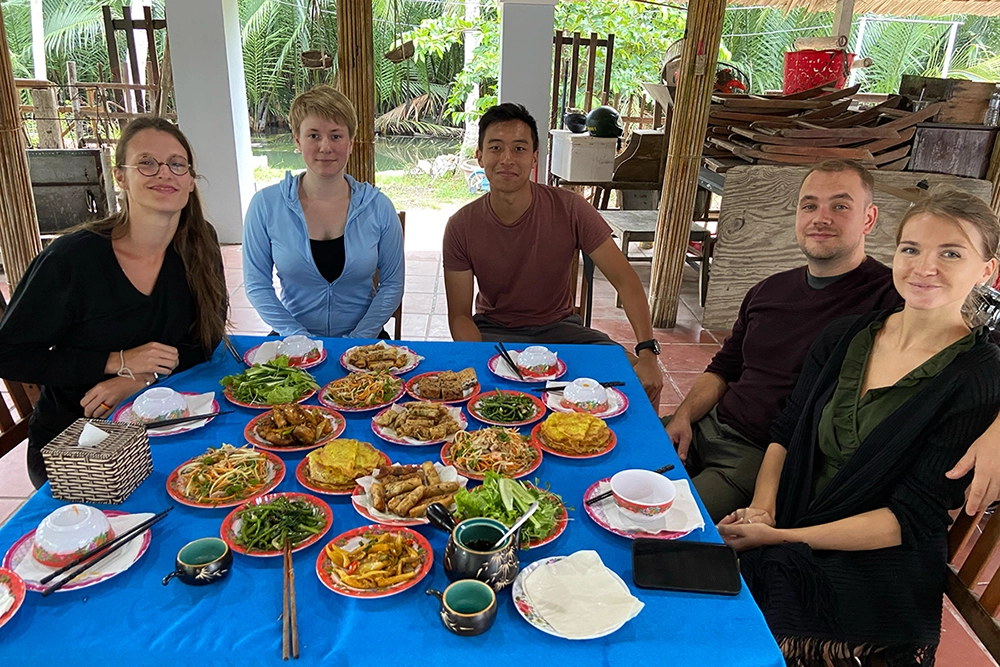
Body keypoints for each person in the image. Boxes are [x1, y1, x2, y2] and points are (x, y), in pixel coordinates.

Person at [718, 190, 1000, 666]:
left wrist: (780, 538)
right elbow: (786, 432)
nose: (923, 267)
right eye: (911, 249)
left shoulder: (977, 376)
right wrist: (763, 510)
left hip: (875, 566)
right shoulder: (846, 335)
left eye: (950, 253)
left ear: (987, 270)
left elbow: (908, 520)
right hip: (791, 521)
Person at [665, 159, 1000, 521]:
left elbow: (981, 353)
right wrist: (684, 416)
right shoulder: (769, 289)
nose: (821, 218)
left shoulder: (903, 296)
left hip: (761, 457)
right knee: (607, 467)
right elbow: (724, 367)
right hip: (707, 426)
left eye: (840, 206)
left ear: (869, 219)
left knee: (656, 520)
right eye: (810, 205)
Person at [0, 117, 227, 488]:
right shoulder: (72, 259)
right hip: (81, 440)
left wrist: (140, 379)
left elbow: (206, 339)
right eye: (146, 163)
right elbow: (8, 352)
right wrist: (115, 363)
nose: (163, 173)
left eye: (176, 163)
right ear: (120, 176)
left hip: (169, 419)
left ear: (189, 181)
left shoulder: (199, 244)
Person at [442, 102, 663, 403]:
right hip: (494, 334)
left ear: (534, 158)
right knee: (476, 397)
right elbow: (459, 316)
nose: (507, 159)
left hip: (562, 333)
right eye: (495, 148)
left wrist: (647, 350)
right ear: (479, 156)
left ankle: (646, 449)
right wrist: (479, 358)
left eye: (519, 149)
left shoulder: (570, 208)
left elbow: (626, 281)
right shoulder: (461, 226)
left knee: (641, 378)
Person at [243, 85, 403, 338]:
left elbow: (392, 284)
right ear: (297, 140)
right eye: (314, 135)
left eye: (336, 136)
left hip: (365, 342)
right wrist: (298, 337)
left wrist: (358, 339)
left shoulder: (379, 207)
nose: (325, 147)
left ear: (351, 142)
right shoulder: (265, 205)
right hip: (291, 339)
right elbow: (257, 285)